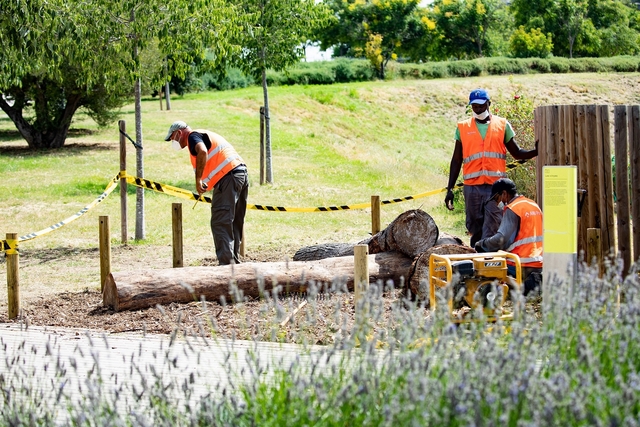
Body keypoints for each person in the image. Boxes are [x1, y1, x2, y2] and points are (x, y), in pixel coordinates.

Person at [445, 88, 538, 247]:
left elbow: (516, 153)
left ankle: (490, 261)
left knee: (494, 225)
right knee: (475, 227)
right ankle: (476, 258)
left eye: (481, 105)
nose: (478, 109)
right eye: (474, 106)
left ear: (489, 104)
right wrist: (450, 188)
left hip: (496, 189)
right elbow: (456, 160)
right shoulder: (463, 127)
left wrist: (535, 152)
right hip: (472, 188)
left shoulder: (502, 125)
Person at [165, 121, 249, 265]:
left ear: (179, 133)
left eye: (172, 138)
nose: (173, 142)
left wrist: (198, 180)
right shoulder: (202, 134)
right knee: (234, 221)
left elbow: (202, 151)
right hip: (240, 174)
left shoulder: (192, 137)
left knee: (220, 222)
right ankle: (233, 263)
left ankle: (227, 267)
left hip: (228, 177)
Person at [474, 178, 543, 296]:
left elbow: (501, 239)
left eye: (497, 198)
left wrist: (482, 244)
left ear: (504, 194)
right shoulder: (533, 205)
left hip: (519, 265)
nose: (497, 203)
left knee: (480, 268)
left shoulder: (513, 208)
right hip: (539, 264)